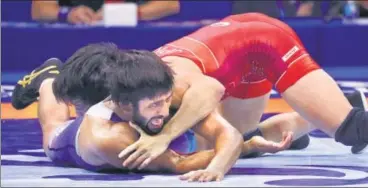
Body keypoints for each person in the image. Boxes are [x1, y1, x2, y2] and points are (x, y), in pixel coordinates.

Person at [117, 12, 368, 170]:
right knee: (238, 141)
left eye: (158, 105)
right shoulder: (127, 89)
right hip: (236, 58)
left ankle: (341, 114)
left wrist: (163, 136)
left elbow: (211, 88)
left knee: (353, 130)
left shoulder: (171, 84)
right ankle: (342, 103)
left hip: (266, 43)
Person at [12, 44, 294, 182]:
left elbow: (226, 131)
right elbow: (181, 163)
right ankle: (48, 78)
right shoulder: (110, 136)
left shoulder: (158, 90)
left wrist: (231, 147)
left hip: (130, 113)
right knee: (55, 126)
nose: (165, 108)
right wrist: (245, 148)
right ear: (125, 107)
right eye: (154, 105)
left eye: (166, 101)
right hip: (75, 144)